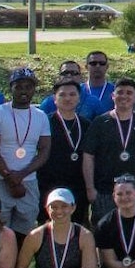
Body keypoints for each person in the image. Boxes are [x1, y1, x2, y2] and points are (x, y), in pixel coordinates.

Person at [0, 67, 51, 236]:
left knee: (24, 232)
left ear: (34, 89)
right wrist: (10, 177)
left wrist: (21, 175)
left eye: (29, 86)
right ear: (11, 88)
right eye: (19, 86)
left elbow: (44, 150)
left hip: (28, 181)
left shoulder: (40, 116)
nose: (24, 91)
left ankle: (19, 263)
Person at [83, 79, 135, 217]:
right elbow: (88, 156)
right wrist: (90, 189)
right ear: (112, 96)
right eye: (120, 92)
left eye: (129, 93)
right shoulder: (100, 122)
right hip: (105, 191)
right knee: (104, 233)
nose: (124, 96)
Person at [42, 80, 91, 224]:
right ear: (54, 99)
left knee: (76, 228)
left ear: (79, 98)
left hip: (78, 185)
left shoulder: (86, 124)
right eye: (62, 95)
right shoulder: (45, 122)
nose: (68, 98)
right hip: (49, 184)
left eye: (72, 94)